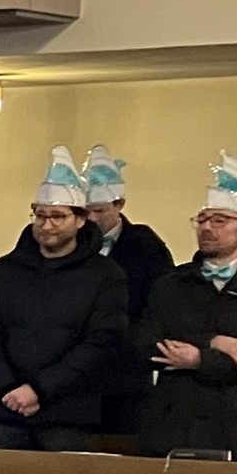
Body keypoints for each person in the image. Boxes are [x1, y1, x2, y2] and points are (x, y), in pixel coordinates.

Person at [0, 149, 130, 474]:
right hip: (5, 409)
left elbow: (101, 342)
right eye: (40, 216)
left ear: (80, 219)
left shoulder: (105, 274)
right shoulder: (7, 269)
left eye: (57, 216)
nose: (46, 225)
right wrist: (8, 388)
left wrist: (39, 389)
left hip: (67, 414)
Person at [138, 154, 237, 463]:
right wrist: (217, 343)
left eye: (219, 221)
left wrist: (198, 359)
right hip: (174, 426)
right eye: (202, 220)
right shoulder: (170, 285)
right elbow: (145, 343)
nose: (207, 228)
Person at [84, 145, 175, 437]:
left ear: (120, 204)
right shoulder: (74, 246)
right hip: (79, 377)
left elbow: (160, 306)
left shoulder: (145, 247)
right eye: (86, 212)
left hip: (127, 375)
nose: (92, 219)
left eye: (100, 210)